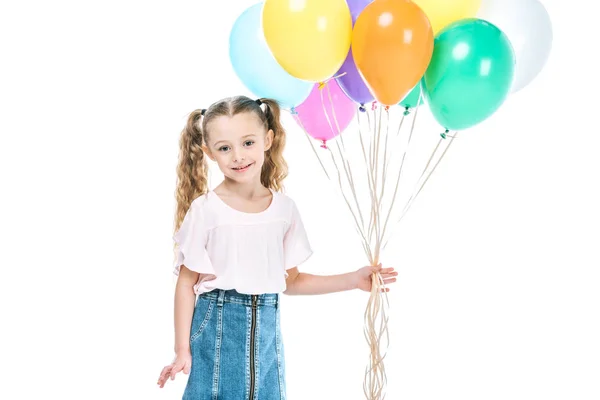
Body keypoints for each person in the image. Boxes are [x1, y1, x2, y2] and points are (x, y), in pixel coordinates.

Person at [156, 95, 398, 399]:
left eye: (247, 143)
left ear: (267, 139)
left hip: (267, 333)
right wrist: (182, 349)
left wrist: (353, 279)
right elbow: (186, 282)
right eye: (224, 148)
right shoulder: (206, 210)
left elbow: (292, 281)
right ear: (209, 152)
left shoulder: (284, 210)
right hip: (217, 324)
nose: (238, 156)